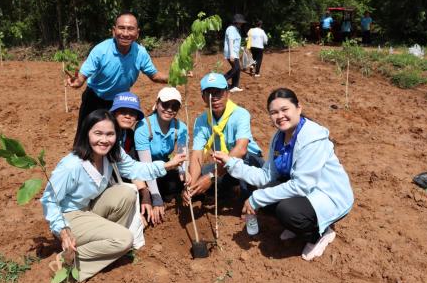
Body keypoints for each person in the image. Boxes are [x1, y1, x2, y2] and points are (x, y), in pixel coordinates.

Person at [40, 109, 185, 282]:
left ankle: (105, 248)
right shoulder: (72, 165)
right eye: (98, 133)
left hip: (88, 209)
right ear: (87, 134)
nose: (104, 140)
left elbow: (136, 168)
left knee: (127, 192)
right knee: (124, 239)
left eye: (110, 134)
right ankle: (67, 266)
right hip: (69, 217)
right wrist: (63, 231)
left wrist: (167, 165)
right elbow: (49, 199)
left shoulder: (111, 154)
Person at [213, 88, 354, 261]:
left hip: (329, 195)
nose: (279, 116)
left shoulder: (312, 138)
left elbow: (302, 185)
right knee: (266, 193)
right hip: (306, 191)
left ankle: (321, 232)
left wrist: (257, 198)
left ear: (298, 108)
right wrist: (231, 162)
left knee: (287, 211)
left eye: (284, 110)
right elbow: (266, 177)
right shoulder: (279, 137)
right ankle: (300, 224)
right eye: (273, 112)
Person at [68, 11, 168, 143]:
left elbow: (154, 76)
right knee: (85, 137)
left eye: (130, 29)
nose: (125, 33)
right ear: (114, 31)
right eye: (121, 28)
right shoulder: (101, 50)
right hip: (94, 98)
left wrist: (177, 76)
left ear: (137, 33)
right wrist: (77, 82)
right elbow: (82, 75)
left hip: (119, 101)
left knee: (114, 139)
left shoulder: (140, 53)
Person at [182, 73, 264, 205]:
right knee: (199, 176)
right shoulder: (201, 120)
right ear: (203, 97)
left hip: (249, 163)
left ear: (227, 94)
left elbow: (241, 150)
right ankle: (229, 188)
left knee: (245, 159)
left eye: (218, 93)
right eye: (209, 94)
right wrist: (191, 185)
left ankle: (249, 201)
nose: (214, 98)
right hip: (223, 166)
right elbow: (197, 153)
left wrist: (211, 177)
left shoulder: (240, 114)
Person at [134, 87, 188, 223]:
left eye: (174, 106)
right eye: (165, 104)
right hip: (143, 171)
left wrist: (184, 174)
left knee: (177, 184)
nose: (169, 109)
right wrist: (156, 198)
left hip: (164, 168)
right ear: (157, 103)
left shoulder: (180, 128)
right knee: (147, 196)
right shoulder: (143, 127)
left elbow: (183, 156)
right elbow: (147, 168)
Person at [109, 92, 154, 239]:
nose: (128, 116)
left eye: (132, 113)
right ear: (114, 113)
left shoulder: (128, 135)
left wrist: (145, 194)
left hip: (120, 180)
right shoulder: (106, 134)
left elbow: (132, 169)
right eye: (123, 112)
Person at [224, 14, 246, 93]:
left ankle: (234, 86)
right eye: (240, 22)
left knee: (237, 68)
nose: (241, 24)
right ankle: (223, 79)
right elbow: (230, 41)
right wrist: (231, 54)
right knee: (236, 68)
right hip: (231, 53)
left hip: (234, 52)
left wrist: (241, 48)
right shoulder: (232, 29)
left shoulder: (235, 29)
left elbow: (236, 42)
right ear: (236, 22)